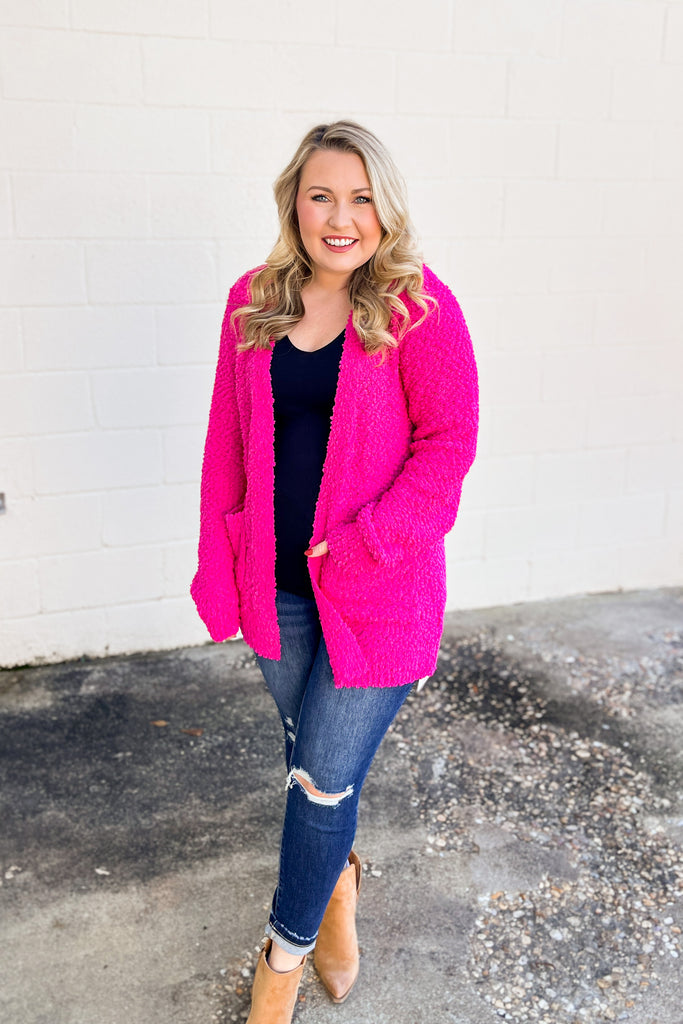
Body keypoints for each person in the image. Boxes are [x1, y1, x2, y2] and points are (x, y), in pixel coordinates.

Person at [191, 120, 479, 1023]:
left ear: (383, 208)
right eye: (322, 195)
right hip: (274, 590)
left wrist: (363, 540)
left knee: (319, 780)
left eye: (360, 197)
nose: (340, 216)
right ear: (295, 202)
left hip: (379, 596)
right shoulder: (254, 299)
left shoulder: (417, 307)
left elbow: (446, 448)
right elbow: (225, 448)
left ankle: (282, 961)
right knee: (309, 766)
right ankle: (338, 883)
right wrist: (215, 568)